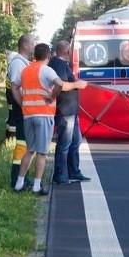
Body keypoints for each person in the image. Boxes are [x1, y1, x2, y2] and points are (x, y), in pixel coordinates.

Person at [13, 43, 87, 195]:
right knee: (42, 152)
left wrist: (22, 103)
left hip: (28, 115)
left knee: (29, 150)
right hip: (43, 114)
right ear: (48, 56)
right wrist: (52, 96)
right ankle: (37, 186)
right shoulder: (46, 70)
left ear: (35, 55)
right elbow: (59, 84)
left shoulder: (26, 70)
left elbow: (14, 86)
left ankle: (19, 183)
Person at [48, 40, 91, 185]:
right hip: (65, 110)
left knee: (75, 141)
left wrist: (75, 82)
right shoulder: (58, 64)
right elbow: (61, 85)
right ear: (67, 52)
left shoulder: (61, 64)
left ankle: (74, 171)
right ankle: (60, 175)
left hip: (71, 110)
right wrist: (76, 84)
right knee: (64, 143)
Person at [8, 34, 35, 188]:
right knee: (22, 143)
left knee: (27, 144)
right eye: (32, 43)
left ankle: (23, 176)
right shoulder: (18, 63)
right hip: (22, 109)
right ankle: (17, 178)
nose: (33, 45)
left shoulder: (24, 62)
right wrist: (23, 106)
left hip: (25, 108)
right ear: (25, 45)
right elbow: (16, 88)